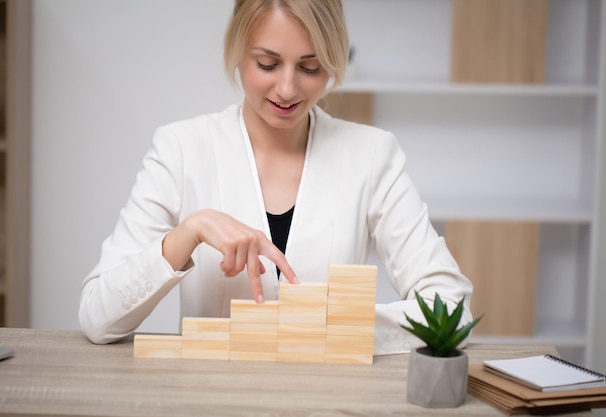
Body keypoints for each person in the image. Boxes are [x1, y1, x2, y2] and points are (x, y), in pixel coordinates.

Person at [79, 0, 474, 355]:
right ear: (236, 53)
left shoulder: (372, 155)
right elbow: (98, 318)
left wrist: (333, 328)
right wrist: (189, 231)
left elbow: (452, 309)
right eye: (267, 64)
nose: (287, 89)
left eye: (310, 67)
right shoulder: (181, 148)